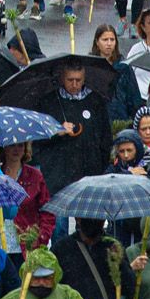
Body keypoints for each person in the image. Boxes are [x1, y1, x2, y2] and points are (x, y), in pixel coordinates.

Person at [34, 60, 116, 197]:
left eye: (78, 80)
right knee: (57, 218)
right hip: (57, 173)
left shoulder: (95, 101)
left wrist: (102, 165)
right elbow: (38, 138)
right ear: (62, 79)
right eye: (70, 80)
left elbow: (105, 137)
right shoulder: (49, 101)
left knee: (87, 217)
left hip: (89, 171)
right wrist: (55, 131)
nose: (74, 84)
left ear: (84, 79)